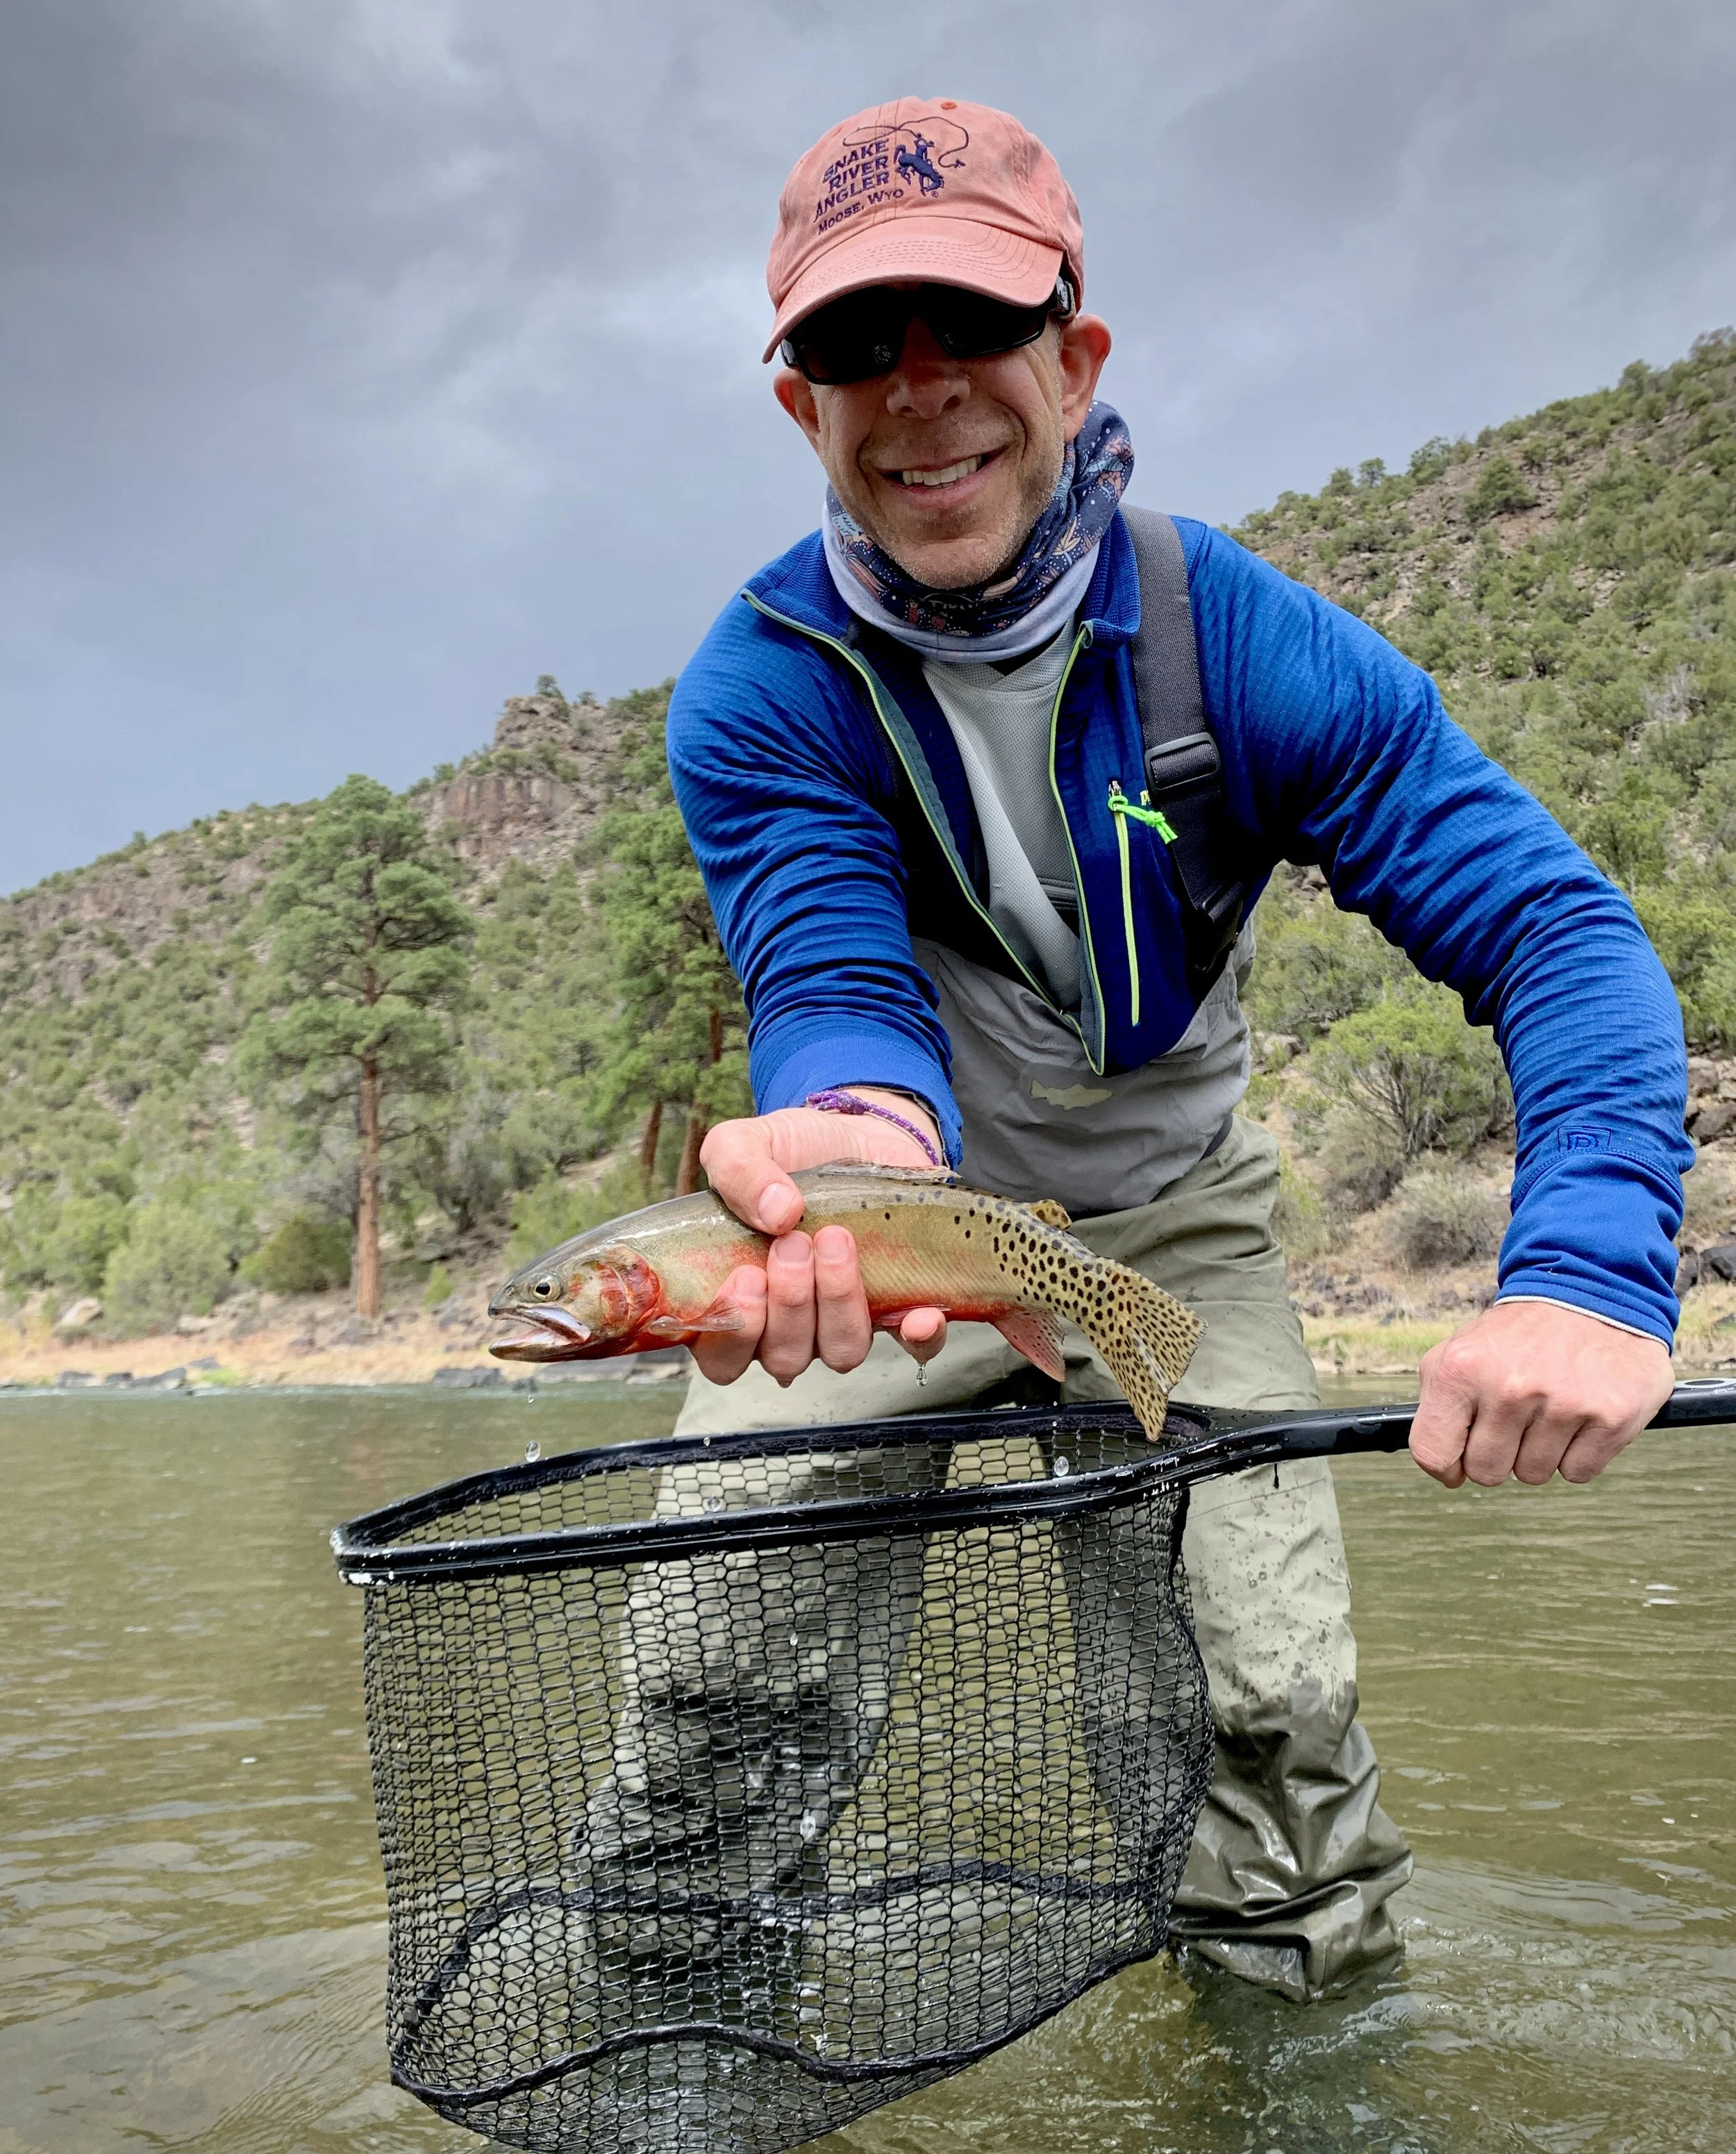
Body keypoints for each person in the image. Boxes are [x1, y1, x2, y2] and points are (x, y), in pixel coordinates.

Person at [617, 97, 1688, 2002]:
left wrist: (1587, 1274)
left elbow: (1557, 931)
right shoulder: (761, 686)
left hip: (1175, 1218)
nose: (919, 388)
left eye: (970, 323)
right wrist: (843, 1156)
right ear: (803, 408)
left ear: (1073, 356)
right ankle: (670, 2060)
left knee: (1264, 1705)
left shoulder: (1247, 643)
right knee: (714, 1661)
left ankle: (1295, 2110)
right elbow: (838, 988)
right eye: (855, 345)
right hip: (894, 1228)